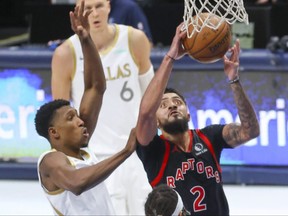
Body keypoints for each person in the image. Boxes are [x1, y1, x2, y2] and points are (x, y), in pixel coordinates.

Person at [135, 23, 260, 215]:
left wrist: (233, 80)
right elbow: (145, 114)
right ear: (156, 120)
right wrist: (170, 57)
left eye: (177, 101)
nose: (172, 105)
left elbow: (250, 131)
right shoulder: (153, 150)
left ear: (188, 113)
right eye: (163, 105)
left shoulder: (209, 137)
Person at [51, 0, 154, 214]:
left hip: (138, 153)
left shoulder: (134, 40)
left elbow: (152, 99)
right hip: (97, 159)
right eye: (88, 9)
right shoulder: (65, 53)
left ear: (109, 5)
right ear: (77, 11)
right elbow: (60, 119)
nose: (94, 14)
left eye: (99, 6)